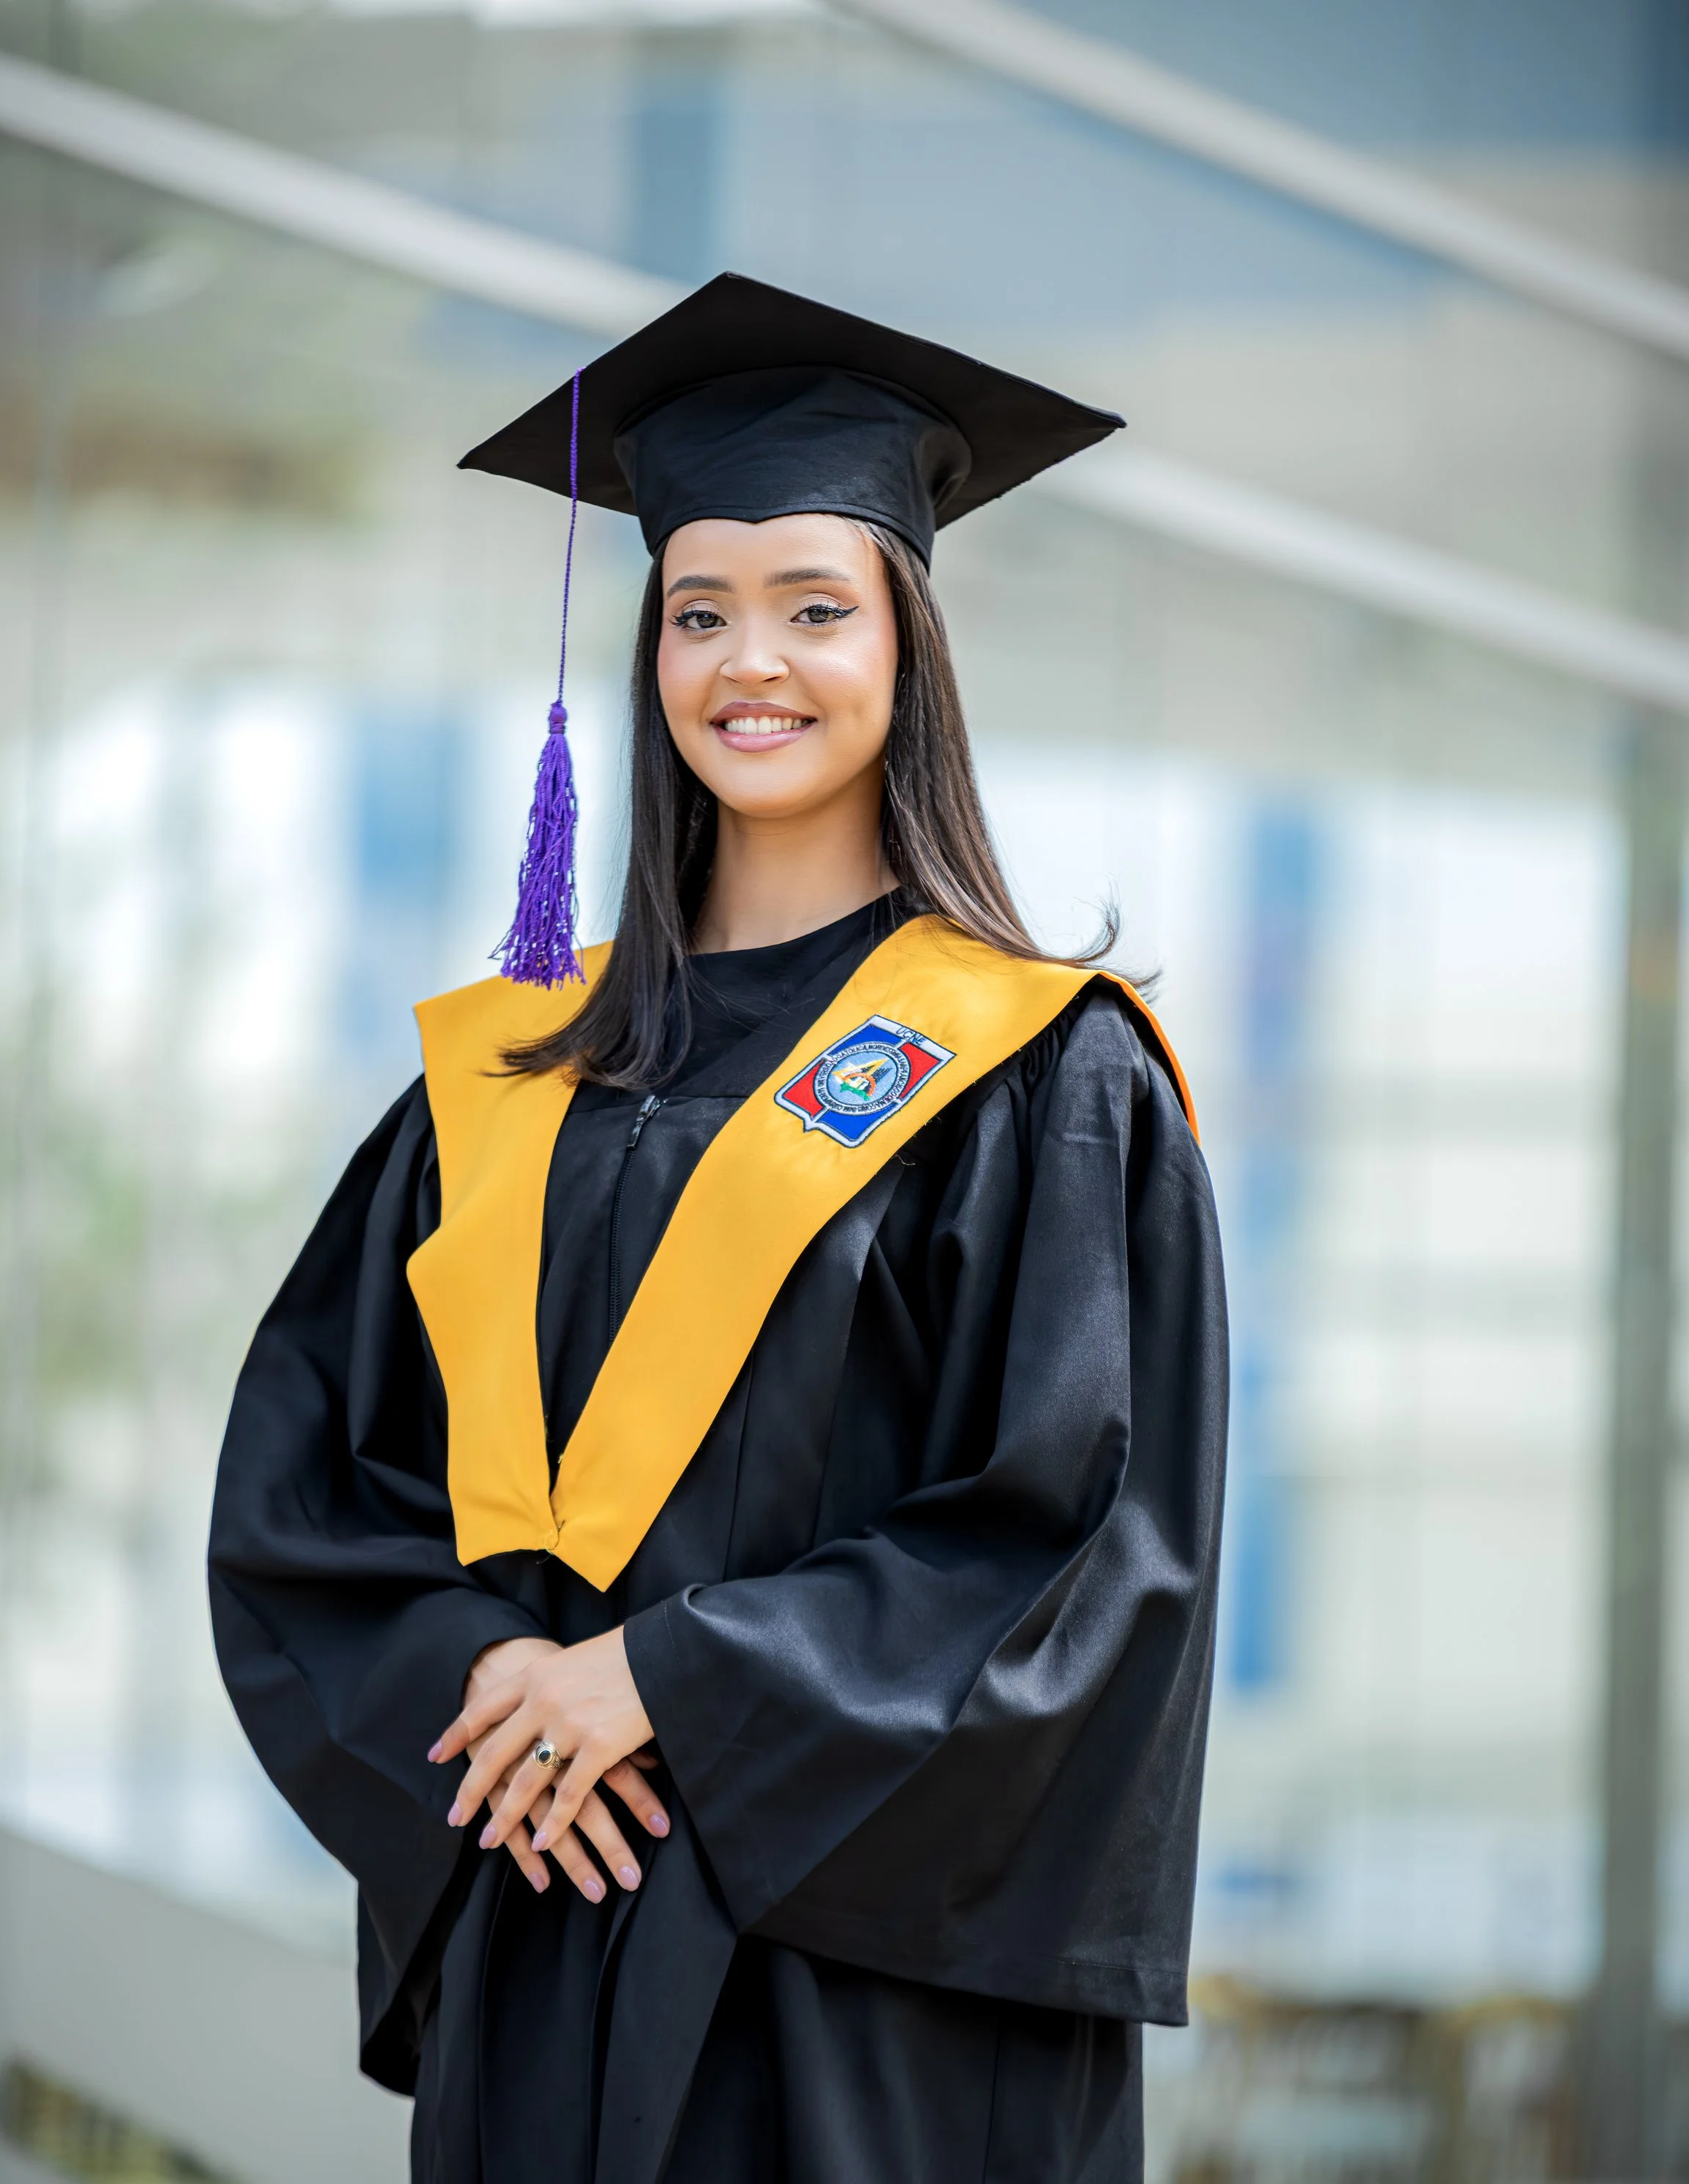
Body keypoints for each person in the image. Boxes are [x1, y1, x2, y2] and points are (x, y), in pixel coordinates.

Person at [209, 273, 1228, 2184]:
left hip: (858, 1988)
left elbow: (1086, 1545)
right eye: (699, 610)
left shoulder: (1033, 1074)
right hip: (543, 1892)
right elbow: (312, 1492)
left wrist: (663, 1683)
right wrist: (480, 1699)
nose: (749, 661)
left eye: (813, 606)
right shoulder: (511, 1078)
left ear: (907, 643)